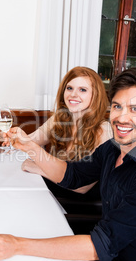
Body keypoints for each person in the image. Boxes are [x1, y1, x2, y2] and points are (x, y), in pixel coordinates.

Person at [0, 67, 136, 260]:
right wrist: (29, 147)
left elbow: (101, 246)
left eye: (135, 109)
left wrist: (18, 245)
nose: (122, 117)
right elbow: (73, 176)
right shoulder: (113, 149)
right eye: (117, 106)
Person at [23, 66, 111, 198]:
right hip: (56, 192)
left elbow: (82, 187)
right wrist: (3, 135)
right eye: (69, 88)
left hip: (79, 204)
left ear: (95, 95)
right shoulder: (61, 118)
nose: (73, 94)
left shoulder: (103, 130)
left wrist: (38, 168)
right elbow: (30, 140)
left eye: (82, 90)